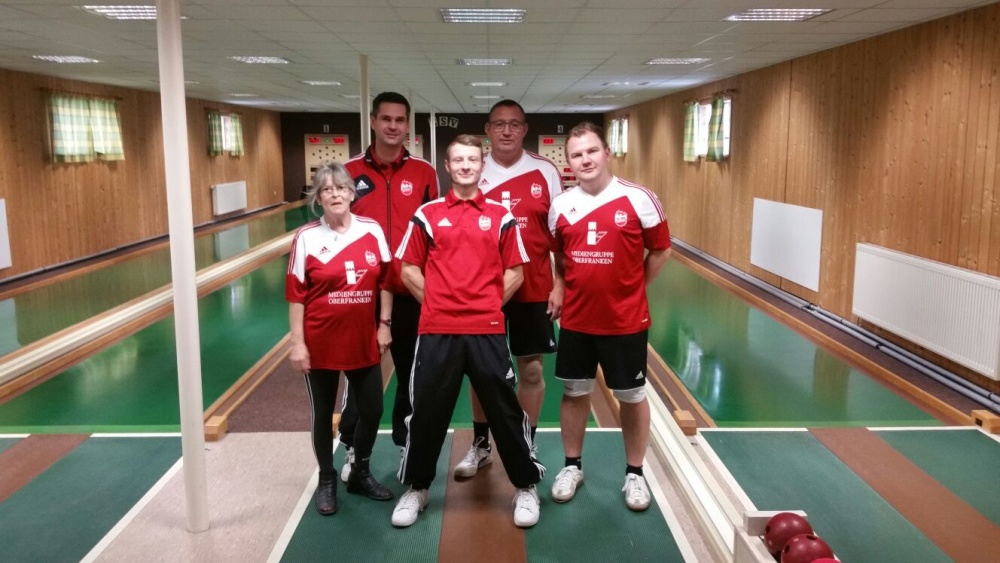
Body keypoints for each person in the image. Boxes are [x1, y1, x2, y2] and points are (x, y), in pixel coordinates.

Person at [391, 135, 546, 529]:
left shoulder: (500, 215)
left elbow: (516, 272)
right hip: (437, 331)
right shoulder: (427, 214)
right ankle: (418, 488)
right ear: (447, 166)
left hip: (486, 330)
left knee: (505, 411)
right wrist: (438, 304)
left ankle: (525, 485)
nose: (465, 166)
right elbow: (408, 269)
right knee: (426, 411)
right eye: (458, 160)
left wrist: (489, 306)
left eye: (472, 160)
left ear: (481, 165)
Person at [547, 122, 671, 512]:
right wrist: (560, 286)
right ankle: (572, 467)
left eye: (591, 151)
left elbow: (661, 250)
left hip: (625, 322)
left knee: (631, 397)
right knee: (574, 393)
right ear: (569, 162)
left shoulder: (640, 199)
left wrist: (635, 288)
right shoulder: (560, 205)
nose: (585, 160)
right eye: (576, 154)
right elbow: (559, 256)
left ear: (607, 153)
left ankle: (634, 473)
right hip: (577, 321)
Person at [453, 100, 564, 479]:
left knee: (531, 371)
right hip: (482, 290)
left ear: (524, 129)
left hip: (534, 288)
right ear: (487, 129)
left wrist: (560, 285)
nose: (506, 131)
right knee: (482, 373)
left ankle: (526, 444)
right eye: (499, 124)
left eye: (514, 124)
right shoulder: (473, 168)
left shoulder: (545, 171)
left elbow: (559, 234)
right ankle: (481, 445)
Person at [339, 92, 440, 482]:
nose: (393, 126)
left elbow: (434, 231)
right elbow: (336, 229)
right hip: (362, 293)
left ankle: (405, 442)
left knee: (413, 374)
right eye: (386, 119)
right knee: (359, 373)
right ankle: (352, 446)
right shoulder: (348, 171)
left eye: (400, 120)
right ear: (373, 121)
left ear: (407, 125)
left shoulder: (424, 173)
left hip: (410, 291)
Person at [286, 163, 396, 515]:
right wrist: (298, 343)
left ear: (352, 193)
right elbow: (296, 295)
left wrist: (384, 324)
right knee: (322, 414)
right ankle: (327, 478)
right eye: (326, 189)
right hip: (320, 340)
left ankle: (360, 471)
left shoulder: (371, 229)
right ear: (318, 198)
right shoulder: (306, 237)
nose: (335, 194)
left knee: (373, 409)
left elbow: (386, 282)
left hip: (362, 337)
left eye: (340, 188)